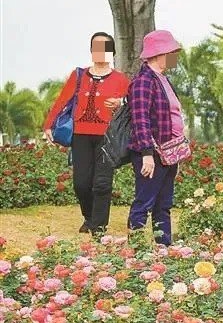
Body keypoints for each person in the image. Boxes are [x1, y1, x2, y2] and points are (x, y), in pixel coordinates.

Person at [43, 32, 129, 235]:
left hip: (107, 137)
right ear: (91, 51)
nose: (100, 51)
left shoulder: (120, 79)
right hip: (80, 135)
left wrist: (120, 103)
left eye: (105, 47)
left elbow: (132, 103)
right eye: (96, 47)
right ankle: (89, 217)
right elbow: (62, 100)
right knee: (81, 183)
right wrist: (49, 125)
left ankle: (98, 227)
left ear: (112, 52)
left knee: (102, 182)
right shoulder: (79, 75)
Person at [127, 30, 185, 246]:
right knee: (144, 202)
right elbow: (140, 120)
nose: (174, 56)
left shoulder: (164, 80)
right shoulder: (144, 81)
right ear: (159, 53)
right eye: (171, 51)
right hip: (151, 153)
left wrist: (175, 156)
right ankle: (135, 249)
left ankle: (164, 246)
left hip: (168, 153)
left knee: (163, 204)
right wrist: (147, 154)